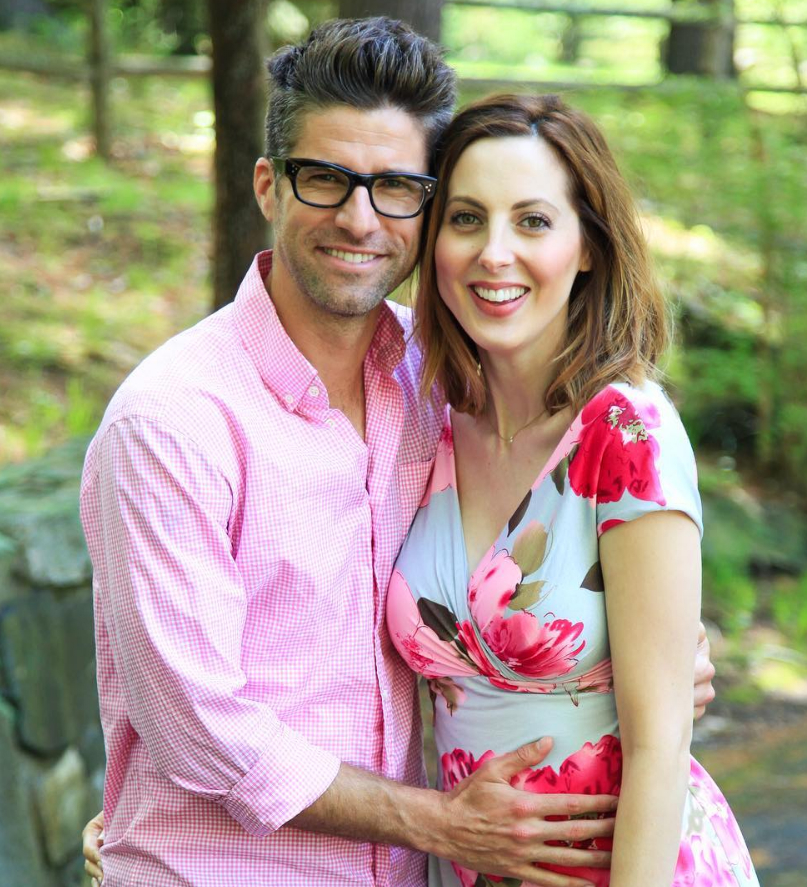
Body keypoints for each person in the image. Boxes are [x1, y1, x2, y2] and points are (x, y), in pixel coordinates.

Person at [80, 17, 717, 887]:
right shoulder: (172, 422)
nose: (359, 218)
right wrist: (438, 822)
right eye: (325, 178)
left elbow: (583, 578)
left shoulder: (438, 388)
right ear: (268, 186)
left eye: (395, 188)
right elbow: (194, 724)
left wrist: (647, 660)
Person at [386, 93, 758, 887]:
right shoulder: (423, 423)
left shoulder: (627, 431)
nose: (494, 253)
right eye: (466, 219)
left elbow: (661, 745)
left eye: (532, 221)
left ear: (587, 245)